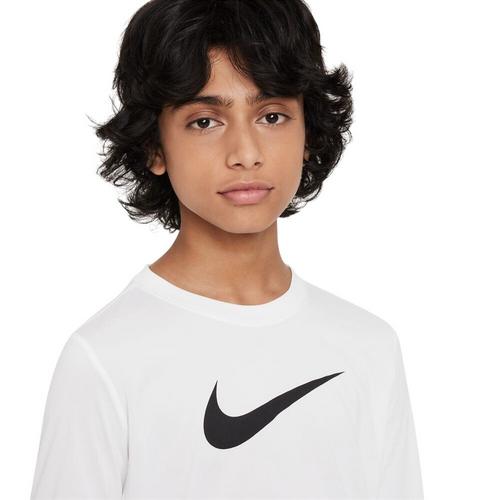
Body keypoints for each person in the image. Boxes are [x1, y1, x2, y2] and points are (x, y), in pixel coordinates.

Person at [30, 0, 424, 498]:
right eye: (205, 121)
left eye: (272, 116)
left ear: (307, 132)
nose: (246, 154)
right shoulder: (105, 358)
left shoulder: (369, 348)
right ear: (154, 146)